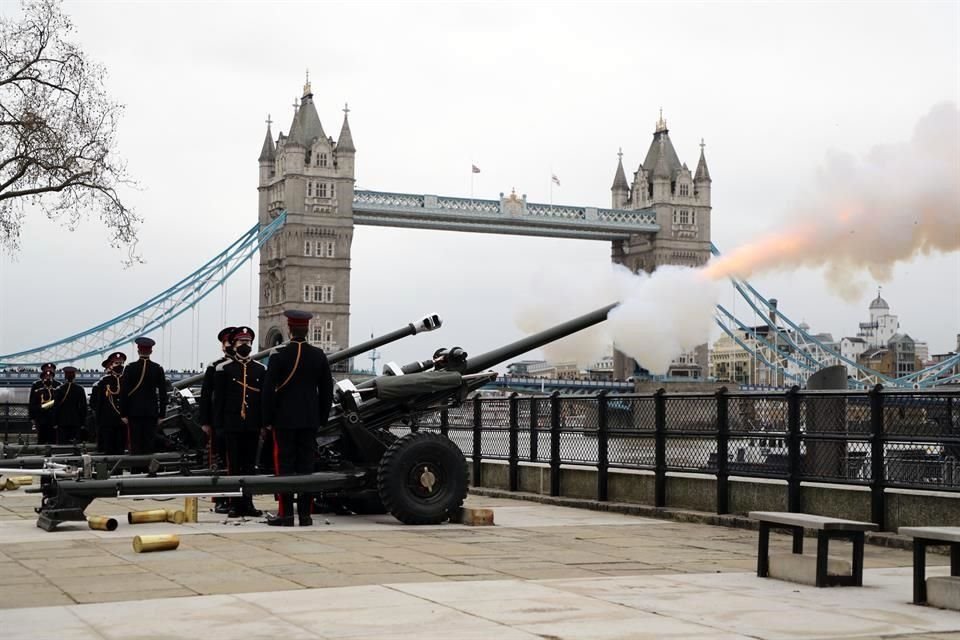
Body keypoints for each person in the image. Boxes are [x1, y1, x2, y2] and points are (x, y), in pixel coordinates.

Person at [262, 310, 334, 526]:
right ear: (308, 329)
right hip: (310, 420)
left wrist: (267, 419)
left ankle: (285, 515)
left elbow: (268, 390)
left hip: (284, 420)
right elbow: (326, 391)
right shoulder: (318, 355)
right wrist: (321, 418)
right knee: (306, 466)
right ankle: (305, 515)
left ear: (289, 328)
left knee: (284, 465)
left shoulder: (278, 355)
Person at [213, 326, 265, 518]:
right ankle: (235, 503)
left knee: (250, 466)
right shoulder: (224, 369)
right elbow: (218, 400)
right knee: (234, 466)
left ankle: (248, 502)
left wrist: (263, 424)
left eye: (248, 343)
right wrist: (218, 425)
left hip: (252, 424)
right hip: (232, 424)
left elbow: (262, 401)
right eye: (242, 342)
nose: (246, 345)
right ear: (234, 345)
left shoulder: (260, 369)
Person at [199, 326, 235, 514]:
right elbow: (206, 396)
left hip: (239, 421)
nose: (229, 345)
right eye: (226, 342)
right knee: (219, 461)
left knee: (240, 462)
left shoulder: (247, 366)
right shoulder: (214, 367)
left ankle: (240, 497)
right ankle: (220, 498)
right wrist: (205, 421)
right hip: (218, 421)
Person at [119, 337, 167, 454]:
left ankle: (136, 468)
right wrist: (161, 414)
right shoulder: (157, 368)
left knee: (135, 444)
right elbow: (163, 394)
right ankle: (148, 469)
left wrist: (123, 413)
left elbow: (124, 392)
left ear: (138, 351)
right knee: (149, 443)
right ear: (151, 351)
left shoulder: (130, 368)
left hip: (134, 412)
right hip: (151, 412)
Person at [90, 352, 126, 454]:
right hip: (107, 421)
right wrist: (99, 422)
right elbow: (96, 404)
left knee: (121, 449)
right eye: (116, 363)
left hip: (122, 421)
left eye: (121, 363)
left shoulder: (126, 380)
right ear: (111, 365)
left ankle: (119, 469)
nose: (119, 365)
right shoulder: (104, 382)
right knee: (108, 449)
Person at [53, 366, 87, 444]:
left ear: (65, 376)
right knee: (75, 444)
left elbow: (56, 407)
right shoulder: (80, 389)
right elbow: (83, 407)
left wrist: (55, 422)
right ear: (74, 376)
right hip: (76, 421)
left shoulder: (59, 389)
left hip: (62, 422)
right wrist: (83, 423)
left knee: (63, 444)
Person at [28, 363, 60, 445]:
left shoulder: (58, 385)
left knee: (54, 439)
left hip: (54, 417)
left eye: (50, 374)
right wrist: (32, 417)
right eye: (46, 374)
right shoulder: (36, 385)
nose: (48, 376)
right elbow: (32, 402)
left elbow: (60, 402)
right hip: (41, 417)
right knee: (41, 439)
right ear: (42, 374)